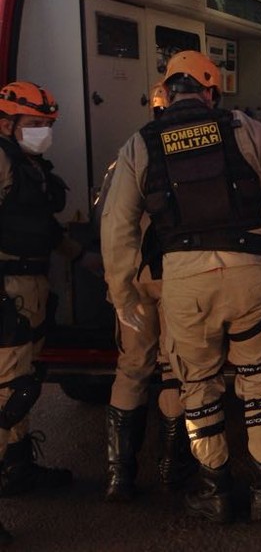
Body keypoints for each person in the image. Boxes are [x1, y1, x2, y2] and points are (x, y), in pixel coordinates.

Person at [101, 51, 261, 524]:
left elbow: (117, 225)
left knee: (197, 384)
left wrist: (123, 293)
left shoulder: (142, 142)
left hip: (183, 279)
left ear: (166, 93)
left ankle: (214, 492)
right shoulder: (242, 127)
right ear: (211, 91)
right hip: (249, 271)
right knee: (257, 379)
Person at [99, 80, 195, 503]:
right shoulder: (202, 148)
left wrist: (119, 292)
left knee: (132, 367)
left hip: (137, 279)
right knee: (174, 369)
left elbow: (114, 225)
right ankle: (173, 468)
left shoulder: (131, 153)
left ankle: (120, 477)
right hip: (179, 276)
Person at [0, 81, 74, 540]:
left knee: (23, 386)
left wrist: (84, 259)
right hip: (7, 288)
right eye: (33, 125)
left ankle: (17, 468)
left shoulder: (29, 166)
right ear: (7, 124)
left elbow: (41, 227)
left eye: (47, 125)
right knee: (7, 393)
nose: (42, 132)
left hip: (32, 283)